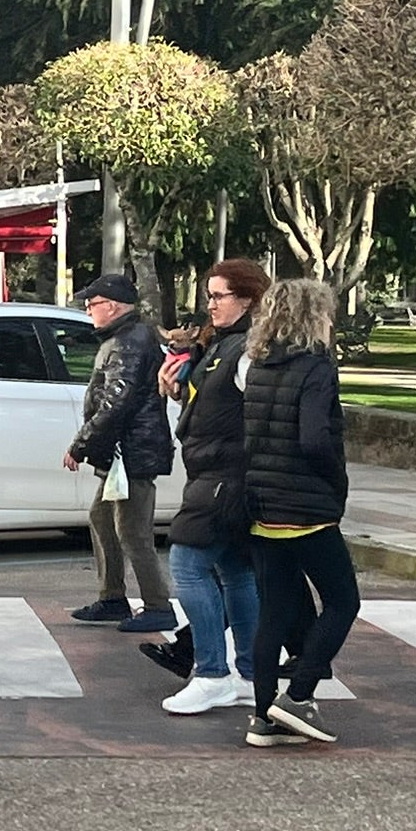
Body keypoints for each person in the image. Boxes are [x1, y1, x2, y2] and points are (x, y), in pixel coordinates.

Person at [241, 278, 360, 747]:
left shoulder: (260, 366)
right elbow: (315, 438)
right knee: (343, 601)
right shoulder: (316, 368)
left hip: (262, 505)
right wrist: (337, 480)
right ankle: (300, 693)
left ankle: (262, 716)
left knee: (274, 611)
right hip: (307, 507)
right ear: (315, 317)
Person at [155, 259, 271, 715]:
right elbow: (216, 404)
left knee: (187, 565)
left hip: (226, 475)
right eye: (209, 295)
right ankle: (245, 672)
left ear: (247, 299)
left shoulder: (246, 350)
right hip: (216, 471)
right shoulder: (225, 345)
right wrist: (180, 395)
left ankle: (211, 673)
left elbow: (259, 409)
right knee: (235, 571)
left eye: (219, 295)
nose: (211, 305)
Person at [62, 273, 176, 633]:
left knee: (132, 529)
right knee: (101, 517)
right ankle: (112, 597)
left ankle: (158, 605)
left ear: (112, 306)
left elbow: (116, 401)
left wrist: (81, 445)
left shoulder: (130, 341)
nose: (89, 310)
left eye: (93, 304)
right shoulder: (124, 338)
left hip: (131, 453)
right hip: (123, 454)